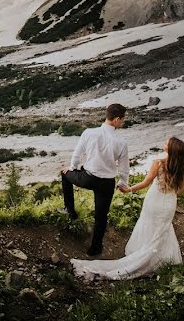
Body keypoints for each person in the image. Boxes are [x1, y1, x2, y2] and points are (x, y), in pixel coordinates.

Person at [71, 136, 184, 280]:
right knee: (162, 229)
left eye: (167, 143)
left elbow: (146, 182)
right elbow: (180, 190)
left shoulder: (159, 163)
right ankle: (161, 259)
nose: (164, 143)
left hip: (155, 200)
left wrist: (129, 189)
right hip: (170, 202)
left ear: (171, 149)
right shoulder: (182, 167)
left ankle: (144, 257)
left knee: (149, 225)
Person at [60, 103, 129, 256]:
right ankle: (95, 248)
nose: (123, 122)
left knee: (65, 175)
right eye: (123, 119)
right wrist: (123, 183)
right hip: (107, 183)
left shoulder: (89, 133)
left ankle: (70, 211)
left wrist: (72, 167)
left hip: (88, 178)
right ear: (117, 119)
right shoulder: (121, 142)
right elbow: (124, 168)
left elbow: (77, 154)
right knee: (101, 216)